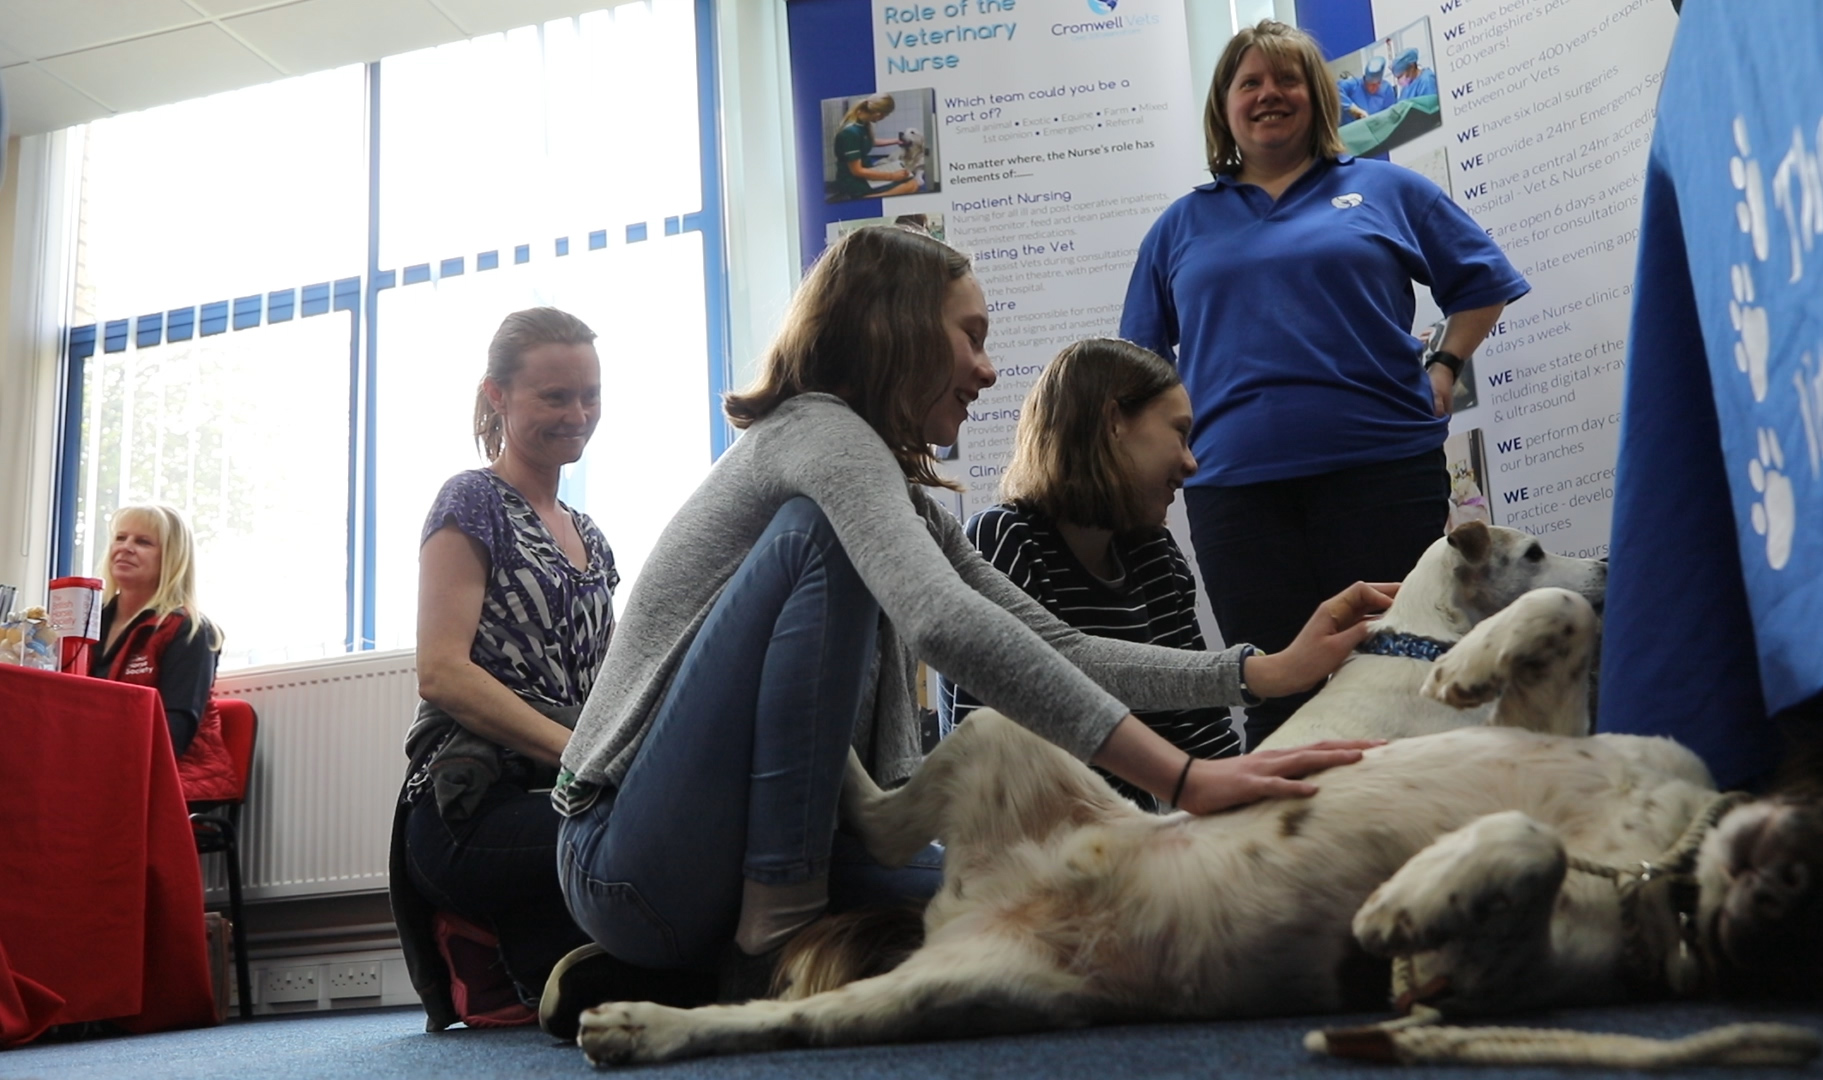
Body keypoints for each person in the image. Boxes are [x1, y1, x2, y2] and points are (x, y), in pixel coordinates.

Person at [543, 225, 1393, 1035]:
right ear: (898, 331)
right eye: (971, 337)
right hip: (622, 856)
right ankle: (776, 940)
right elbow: (944, 625)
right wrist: (1186, 779)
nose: (988, 371)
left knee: (1040, 904)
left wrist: (1262, 673)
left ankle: (679, 971)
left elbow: (1058, 645)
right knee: (817, 539)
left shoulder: (903, 498)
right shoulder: (818, 434)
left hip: (721, 870)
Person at [1119, 20, 1527, 749]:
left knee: (1405, 674)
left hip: (1382, 473)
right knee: (1278, 689)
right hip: (1236, 490)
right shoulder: (1180, 225)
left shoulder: (1386, 188)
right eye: (1251, 82)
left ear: (1317, 99)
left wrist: (1445, 365)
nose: (1269, 95)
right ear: (1224, 106)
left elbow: (1482, 283)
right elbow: (1136, 364)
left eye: (1288, 80)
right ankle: (1293, 856)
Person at [391, 307, 618, 1030]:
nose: (577, 413)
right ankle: (491, 939)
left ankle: (505, 951)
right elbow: (443, 674)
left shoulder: (592, 539)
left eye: (590, 395)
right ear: (497, 396)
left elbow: (611, 690)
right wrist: (586, 759)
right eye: (554, 396)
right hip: (468, 804)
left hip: (561, 792)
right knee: (630, 836)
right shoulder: (473, 501)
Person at [937, 338, 1239, 808]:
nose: (1190, 462)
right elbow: (995, 755)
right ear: (1114, 422)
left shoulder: (1157, 557)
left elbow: (1202, 737)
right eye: (1179, 433)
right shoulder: (1007, 540)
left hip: (1126, 843)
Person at [92, 501, 240, 803]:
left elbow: (175, 732)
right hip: (104, 765)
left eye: (143, 542)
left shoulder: (190, 630)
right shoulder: (87, 623)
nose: (126, 547)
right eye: (120, 538)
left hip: (176, 771)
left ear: (172, 559)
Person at [830, 95, 921, 201]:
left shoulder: (861, 124)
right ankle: (865, 199)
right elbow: (857, 171)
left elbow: (869, 142)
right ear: (879, 114)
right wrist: (892, 176)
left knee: (910, 180)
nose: (884, 118)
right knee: (912, 186)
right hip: (852, 180)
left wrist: (895, 141)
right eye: (886, 115)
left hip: (865, 172)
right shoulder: (850, 133)